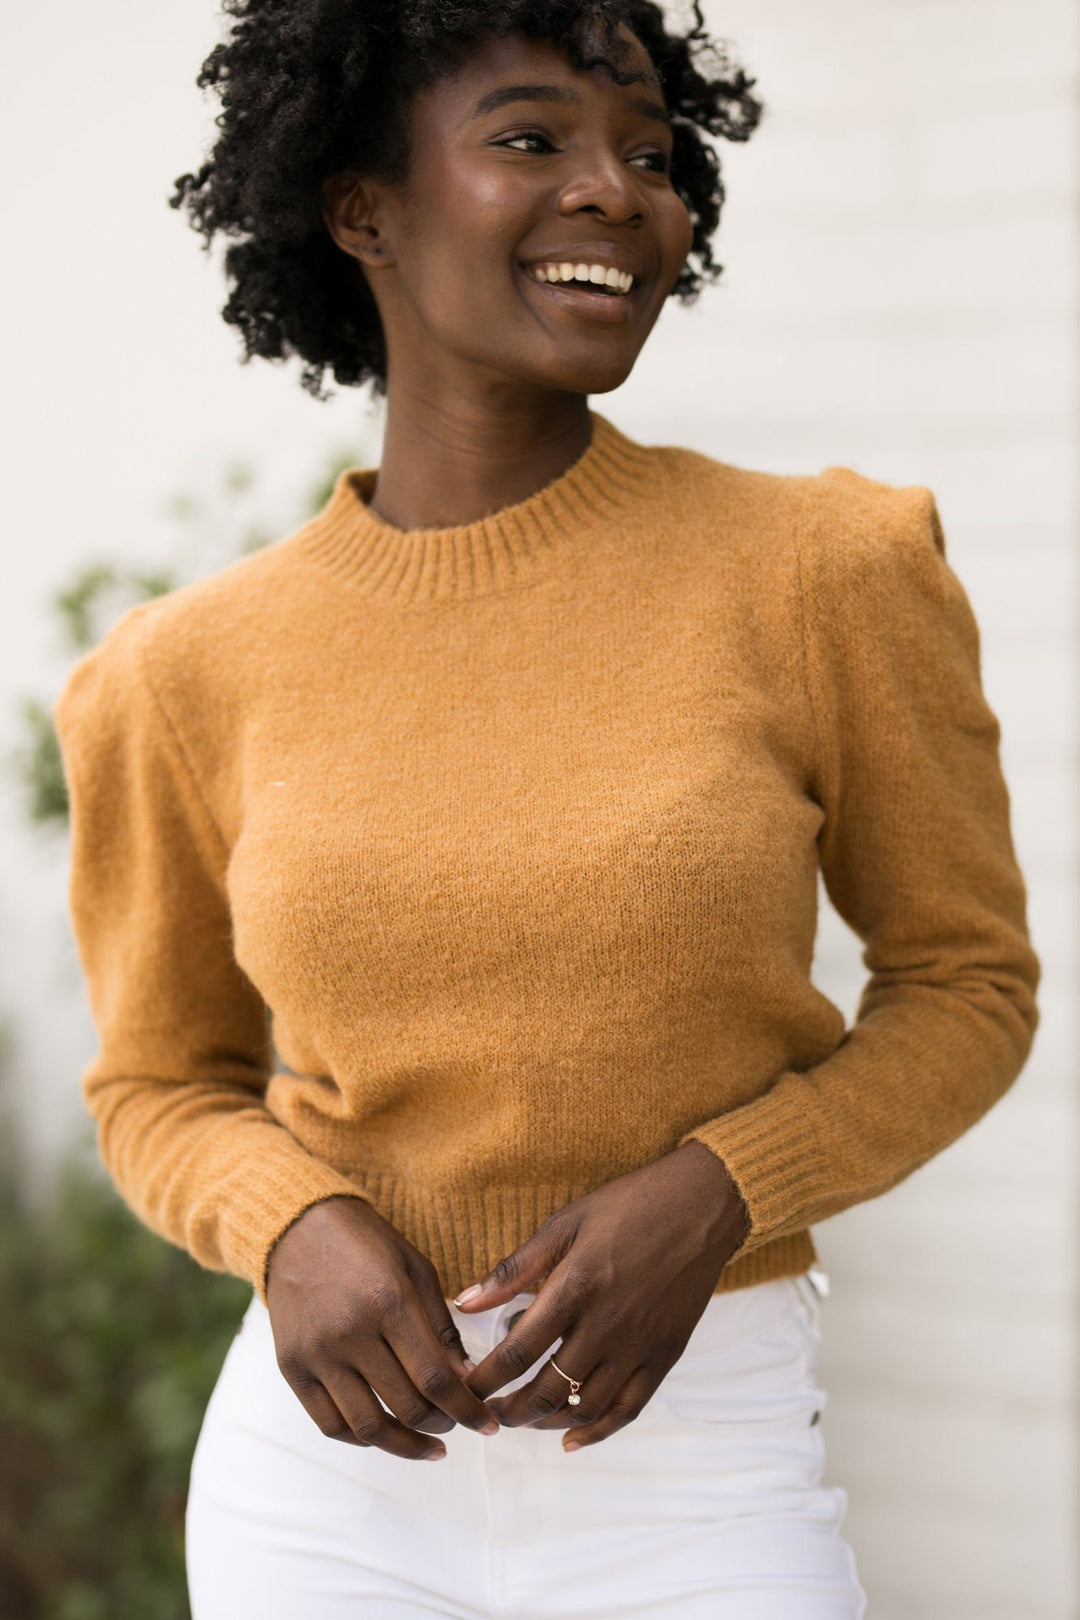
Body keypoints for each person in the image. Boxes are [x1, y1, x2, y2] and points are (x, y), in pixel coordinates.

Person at [52, 1, 1041, 1616]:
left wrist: (726, 1186)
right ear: (362, 206)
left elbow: (969, 988)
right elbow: (159, 1080)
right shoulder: (185, 669)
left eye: (650, 156)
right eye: (533, 140)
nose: (618, 192)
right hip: (329, 1492)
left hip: (703, 1463)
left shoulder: (820, 574)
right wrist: (284, 1219)